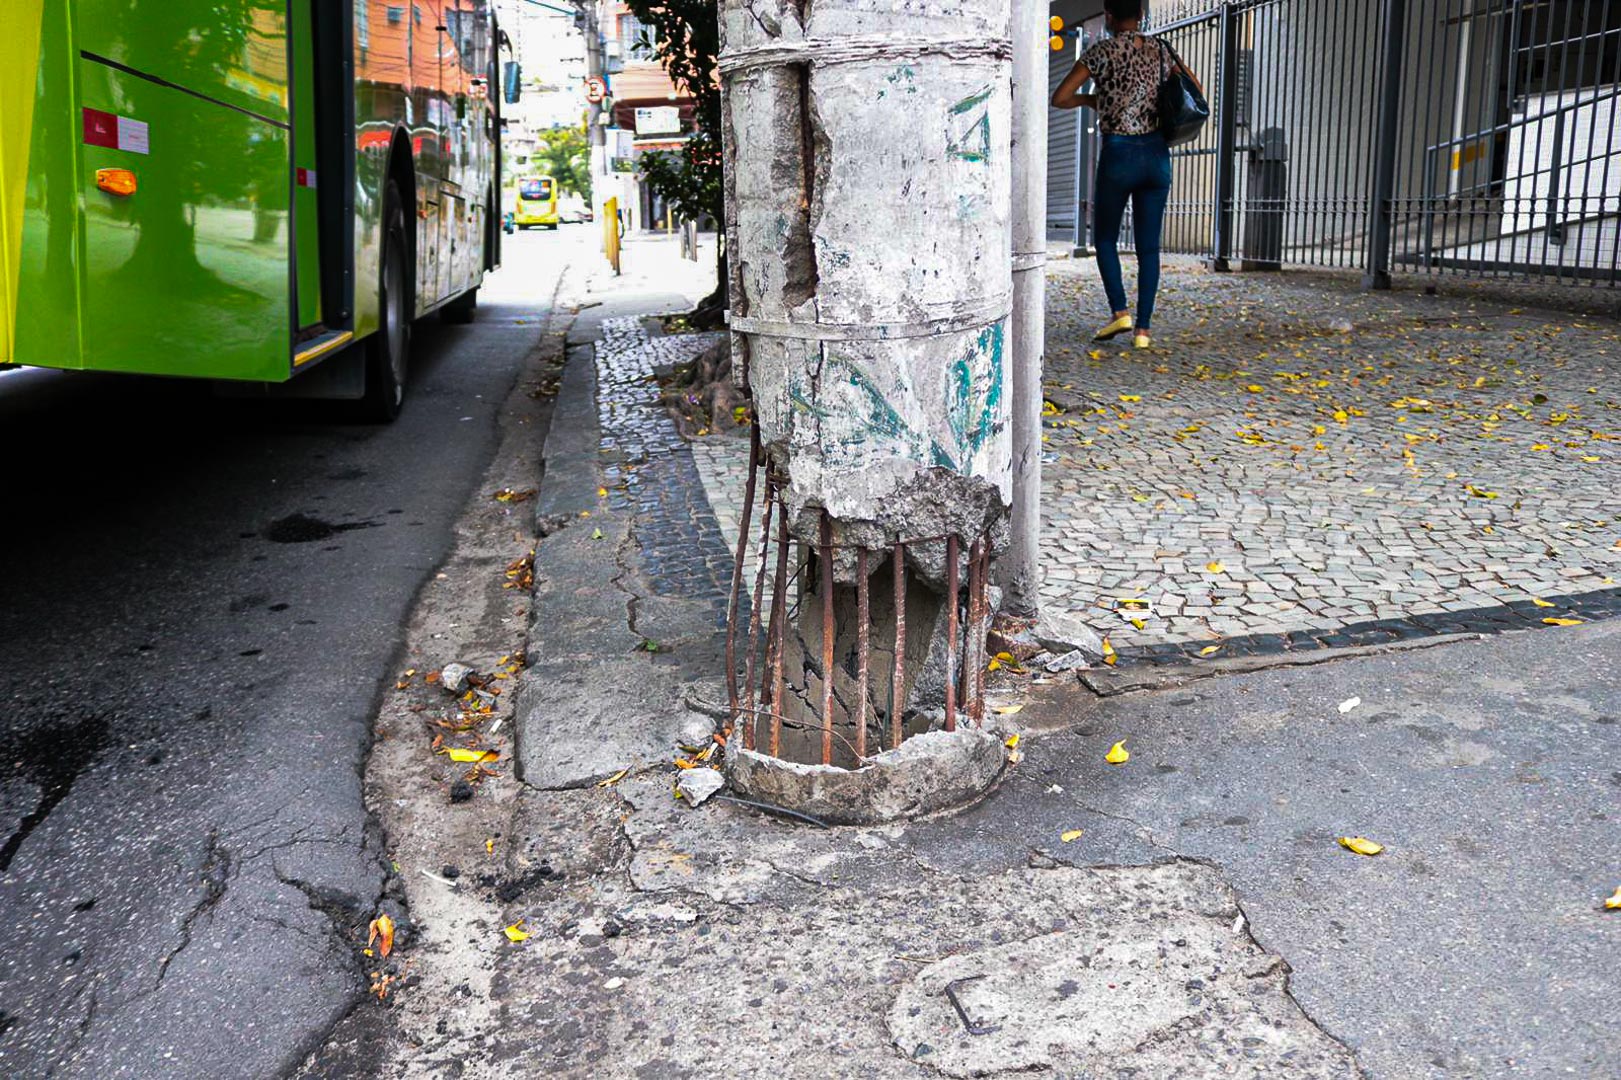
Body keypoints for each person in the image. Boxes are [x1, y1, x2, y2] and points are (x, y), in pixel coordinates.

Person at [1052, 0, 1202, 350]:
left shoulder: (1100, 52)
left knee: (1105, 239)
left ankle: (1120, 311)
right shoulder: (1161, 49)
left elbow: (1060, 97)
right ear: (1141, 14)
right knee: (1149, 248)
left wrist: (1094, 102)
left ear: (1108, 16)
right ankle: (1143, 332)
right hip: (1155, 155)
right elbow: (1194, 88)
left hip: (1119, 154)